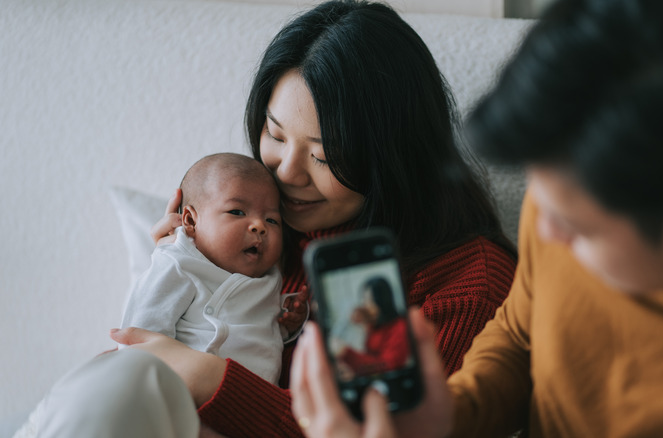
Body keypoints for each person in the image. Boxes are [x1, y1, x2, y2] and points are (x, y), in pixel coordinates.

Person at [289, 0, 663, 436]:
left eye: (576, 226)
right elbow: (523, 336)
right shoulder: (563, 205)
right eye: (540, 198)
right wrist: (445, 418)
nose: (542, 231)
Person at [28, 1, 517, 437]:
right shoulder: (256, 234)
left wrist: (208, 378)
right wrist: (186, 269)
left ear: (392, 158)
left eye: (324, 157)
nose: (284, 172)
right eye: (275, 134)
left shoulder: (467, 283)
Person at [120, 152, 306, 383]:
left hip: (251, 404)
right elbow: (142, 331)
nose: (259, 226)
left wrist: (288, 321)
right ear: (189, 221)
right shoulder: (180, 264)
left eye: (271, 220)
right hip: (185, 394)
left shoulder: (270, 276)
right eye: (237, 212)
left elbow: (261, 334)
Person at [332, 277, 410, 379]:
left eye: (370, 300)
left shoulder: (400, 326)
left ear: (382, 301)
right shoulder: (373, 325)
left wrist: (348, 354)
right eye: (364, 299)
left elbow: (387, 365)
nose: (366, 305)